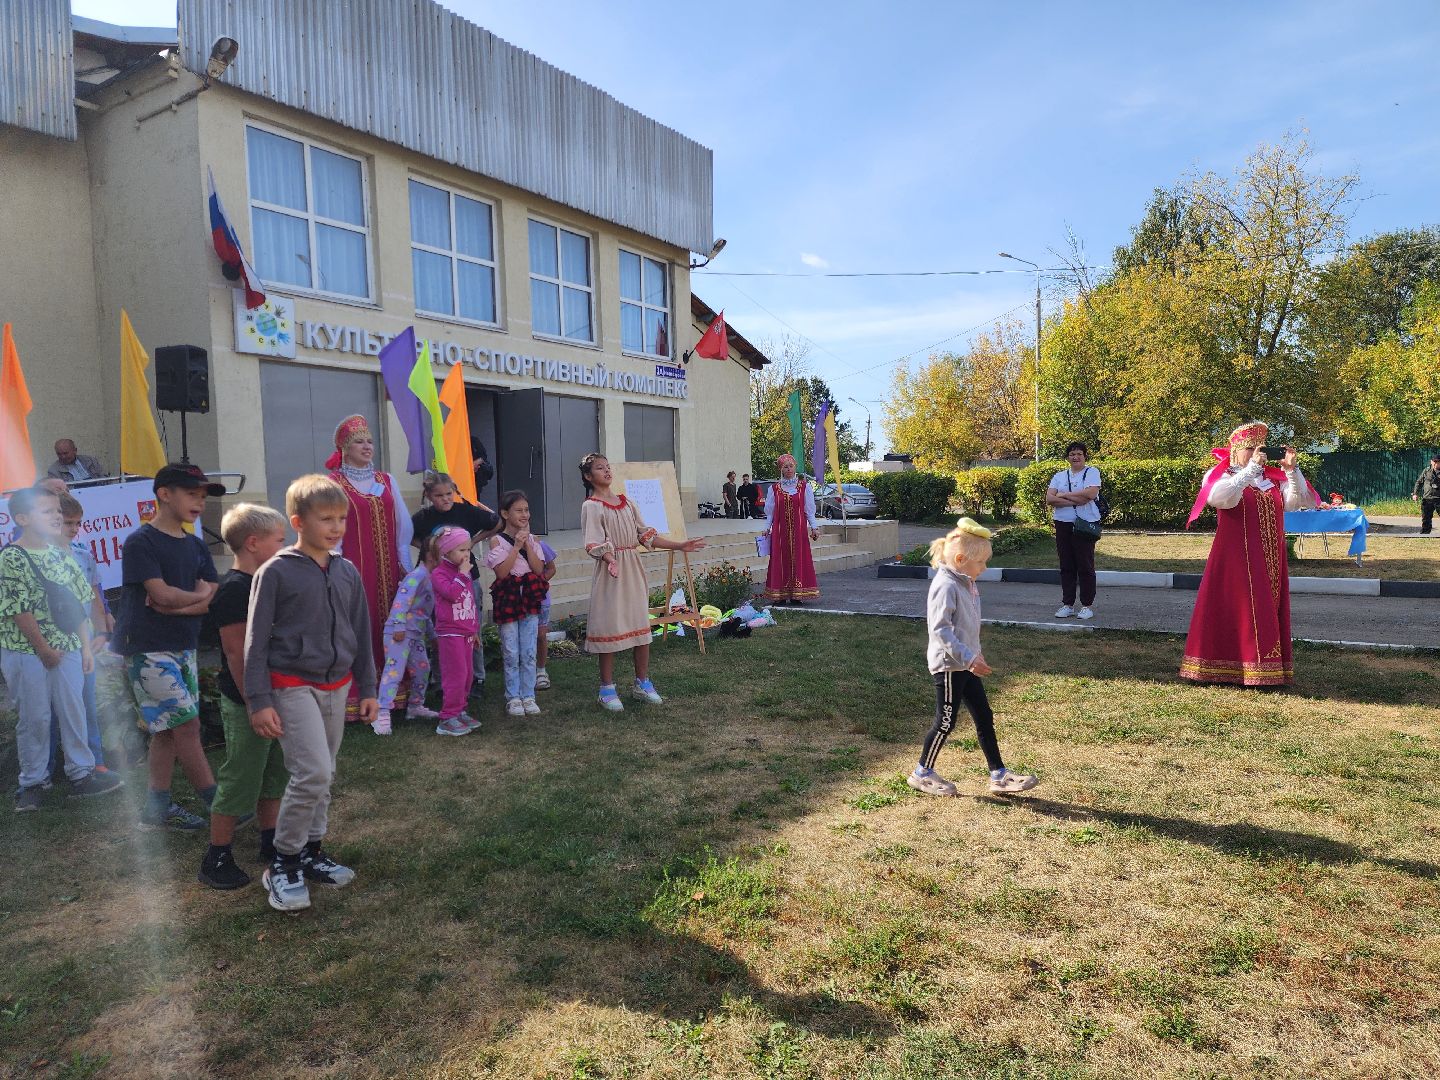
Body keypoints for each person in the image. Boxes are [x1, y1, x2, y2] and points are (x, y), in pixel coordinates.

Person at [244, 474, 376, 913]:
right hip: (290, 685)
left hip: (337, 686)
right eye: (326, 519)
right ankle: (281, 862)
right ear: (298, 521)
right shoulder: (275, 571)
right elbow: (256, 642)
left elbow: (360, 630)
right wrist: (259, 701)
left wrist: (368, 687)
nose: (337, 527)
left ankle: (311, 852)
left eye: (341, 518)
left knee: (326, 771)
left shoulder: (346, 569)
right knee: (312, 772)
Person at [115, 463, 223, 831]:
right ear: (164, 494)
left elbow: (212, 597)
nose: (200, 503)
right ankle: (221, 804)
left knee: (166, 730)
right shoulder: (140, 543)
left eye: (203, 497)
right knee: (187, 727)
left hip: (183, 646)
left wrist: (182, 600)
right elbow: (160, 594)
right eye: (192, 494)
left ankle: (157, 807)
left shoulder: (195, 544)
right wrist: (195, 596)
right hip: (147, 649)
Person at [1, 487, 123, 811]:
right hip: (26, 650)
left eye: (57, 510)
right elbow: (19, 609)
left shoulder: (62, 553)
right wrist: (42, 649)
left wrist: (84, 648)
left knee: (74, 710)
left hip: (67, 646)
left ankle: (81, 774)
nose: (57, 516)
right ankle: (33, 782)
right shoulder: (11, 556)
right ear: (23, 518)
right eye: (47, 511)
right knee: (35, 716)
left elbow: (76, 606)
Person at [907, 517, 1039, 797]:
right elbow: (940, 630)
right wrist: (968, 658)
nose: (985, 568)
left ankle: (998, 774)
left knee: (983, 716)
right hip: (950, 667)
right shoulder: (946, 585)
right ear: (960, 558)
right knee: (945, 722)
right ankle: (922, 773)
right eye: (981, 563)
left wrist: (974, 654)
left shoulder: (965, 580)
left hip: (966, 663)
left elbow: (968, 623)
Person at [197, 504, 290, 891]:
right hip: (248, 701)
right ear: (253, 543)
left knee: (275, 772)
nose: (286, 547)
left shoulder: (265, 582)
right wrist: (255, 702)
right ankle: (217, 855)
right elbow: (237, 653)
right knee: (241, 777)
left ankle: (271, 840)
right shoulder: (235, 590)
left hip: (275, 695)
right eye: (280, 541)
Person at [1179, 423, 1313, 688]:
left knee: (1266, 605)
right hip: (1236, 556)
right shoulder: (1221, 475)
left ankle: (1265, 668)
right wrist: (1250, 470)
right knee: (1236, 607)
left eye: (1259, 448)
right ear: (1236, 450)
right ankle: (1224, 666)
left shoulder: (1271, 478)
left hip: (1270, 556)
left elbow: (1295, 503)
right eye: (1250, 448)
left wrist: (1291, 470)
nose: (1255, 453)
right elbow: (1220, 499)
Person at [579, 453, 705, 711]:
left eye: (607, 467)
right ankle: (606, 688)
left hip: (632, 568)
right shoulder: (591, 506)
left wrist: (680, 544)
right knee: (610, 624)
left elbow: (646, 536)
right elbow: (592, 541)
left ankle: (642, 683)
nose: (606, 471)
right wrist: (610, 559)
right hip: (610, 571)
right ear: (588, 476)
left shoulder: (627, 503)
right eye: (599, 468)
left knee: (640, 624)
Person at [326, 415, 413, 721]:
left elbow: (402, 524)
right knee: (357, 626)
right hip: (354, 570)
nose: (367, 446)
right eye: (359, 442)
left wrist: (405, 567)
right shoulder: (333, 484)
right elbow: (330, 529)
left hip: (389, 570)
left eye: (370, 441)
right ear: (344, 449)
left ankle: (393, 694)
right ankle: (356, 697)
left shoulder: (386, 480)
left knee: (392, 624)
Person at [410, 471, 501, 687]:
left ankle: (477, 677)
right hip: (437, 581)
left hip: (468, 579)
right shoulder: (423, 518)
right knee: (439, 630)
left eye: (449, 494)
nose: (446, 499)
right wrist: (426, 549)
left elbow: (496, 522)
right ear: (430, 496)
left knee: (471, 627)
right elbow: (405, 534)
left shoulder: (465, 512)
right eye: (439, 496)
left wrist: (473, 540)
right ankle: (442, 680)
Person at [51, 493, 113, 774]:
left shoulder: (84, 556)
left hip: (84, 640)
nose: (74, 529)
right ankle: (49, 765)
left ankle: (96, 760)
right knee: (50, 709)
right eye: (68, 523)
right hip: (55, 642)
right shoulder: (39, 557)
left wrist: (101, 630)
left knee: (87, 701)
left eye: (78, 523)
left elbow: (93, 595)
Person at [485, 491, 549, 717]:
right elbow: (501, 572)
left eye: (526, 510)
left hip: (529, 596)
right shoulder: (496, 540)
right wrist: (515, 547)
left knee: (528, 648)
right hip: (509, 596)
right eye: (519, 510)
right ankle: (513, 696)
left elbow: (539, 569)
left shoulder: (533, 539)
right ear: (505, 513)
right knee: (511, 649)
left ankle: (528, 694)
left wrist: (527, 544)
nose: (525, 515)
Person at [374, 531, 443, 736]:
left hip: (415, 634)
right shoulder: (417, 576)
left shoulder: (430, 578)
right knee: (393, 672)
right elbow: (401, 602)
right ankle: (382, 712)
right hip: (400, 633)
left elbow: (424, 612)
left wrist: (432, 636)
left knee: (423, 668)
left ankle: (415, 706)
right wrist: (398, 626)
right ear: (431, 556)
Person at [430, 527, 480, 735]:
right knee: (455, 675)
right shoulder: (439, 573)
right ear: (446, 552)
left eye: (468, 550)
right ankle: (447, 717)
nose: (466, 554)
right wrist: (461, 575)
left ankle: (459, 710)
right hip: (450, 633)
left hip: (466, 633)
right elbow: (451, 594)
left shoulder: (464, 573)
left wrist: (474, 630)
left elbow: (471, 604)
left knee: (467, 674)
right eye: (461, 550)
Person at [1046, 442, 1102, 621]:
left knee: (1085, 565)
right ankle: (1067, 604)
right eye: (1072, 454)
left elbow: (1091, 494)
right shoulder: (1059, 476)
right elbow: (1049, 498)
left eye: (1079, 453)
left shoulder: (1092, 472)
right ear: (1067, 457)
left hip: (1085, 524)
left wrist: (1062, 495)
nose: (1075, 457)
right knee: (1066, 565)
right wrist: (1076, 499)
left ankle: (1086, 605)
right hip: (1063, 523)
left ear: (1085, 456)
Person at [762, 454, 820, 604]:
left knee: (798, 559)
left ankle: (796, 595)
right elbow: (771, 512)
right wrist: (766, 528)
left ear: (795, 467)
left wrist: (814, 527)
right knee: (780, 561)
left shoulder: (804, 487)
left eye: (791, 466)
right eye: (785, 467)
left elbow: (809, 510)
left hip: (798, 532)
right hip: (780, 533)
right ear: (781, 469)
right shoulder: (774, 489)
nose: (788, 469)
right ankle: (779, 595)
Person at [534, 538, 558, 691]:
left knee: (541, 635)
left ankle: (541, 671)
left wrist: (536, 584)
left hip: (540, 598)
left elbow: (551, 568)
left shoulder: (540, 545)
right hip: (518, 600)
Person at [1414, 454, 1440, 535]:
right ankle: (1425, 534)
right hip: (1427, 498)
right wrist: (1415, 493)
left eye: (1438, 462)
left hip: (1439, 498)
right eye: (1434, 461)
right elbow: (1419, 482)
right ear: (1431, 462)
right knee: (1426, 518)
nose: (1436, 463)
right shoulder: (1426, 471)